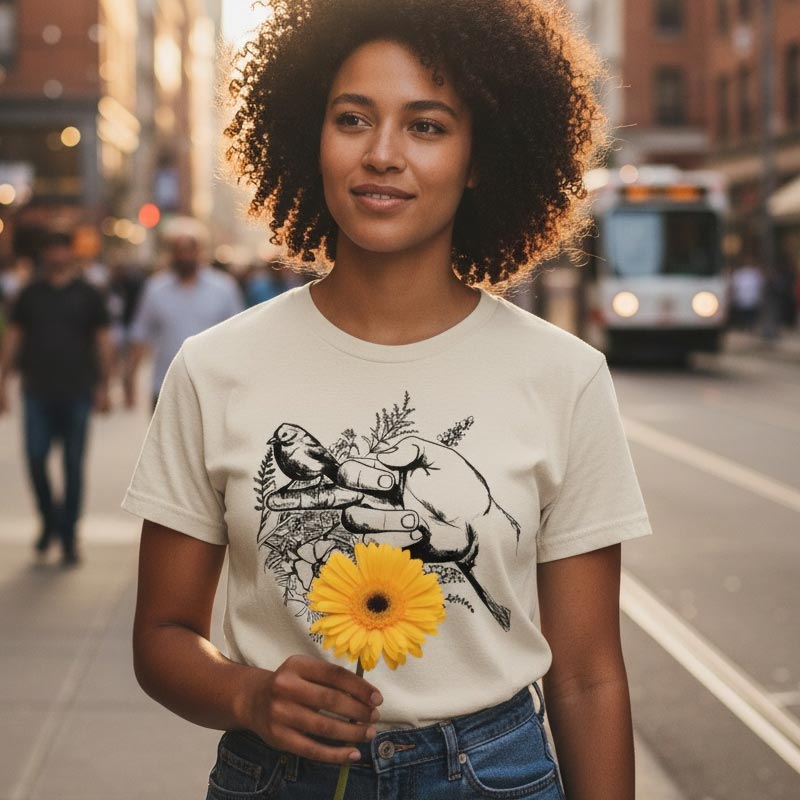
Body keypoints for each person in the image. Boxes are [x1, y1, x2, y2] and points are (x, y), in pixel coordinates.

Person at [122, 2, 652, 798]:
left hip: (494, 773)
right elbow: (162, 636)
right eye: (352, 119)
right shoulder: (213, 369)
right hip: (277, 777)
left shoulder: (564, 376)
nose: (381, 154)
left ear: (480, 157)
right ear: (313, 135)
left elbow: (587, 678)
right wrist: (247, 695)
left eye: (427, 126)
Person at [0, 230, 114, 566]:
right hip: (36, 390)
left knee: (73, 465)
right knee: (35, 458)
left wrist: (106, 386)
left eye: (61, 248)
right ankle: (49, 519)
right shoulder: (30, 293)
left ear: (70, 252)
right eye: (50, 249)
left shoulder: (90, 294)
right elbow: (14, 338)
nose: (56, 255)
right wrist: (2, 381)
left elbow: (103, 341)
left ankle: (68, 533)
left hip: (78, 390)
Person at [123, 223, 245, 411]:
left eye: (190, 249)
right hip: (165, 388)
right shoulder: (155, 289)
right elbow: (141, 335)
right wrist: (129, 379)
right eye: (179, 250)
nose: (184, 256)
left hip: (212, 389)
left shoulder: (224, 288)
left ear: (200, 251)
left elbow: (239, 337)